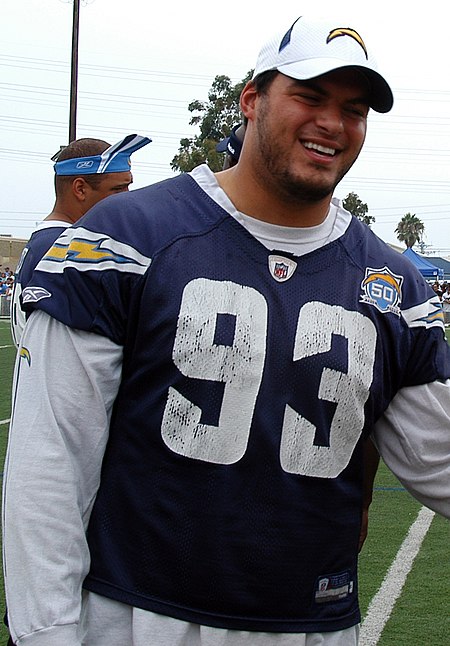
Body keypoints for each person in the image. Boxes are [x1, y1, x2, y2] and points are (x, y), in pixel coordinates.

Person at [3, 14, 450, 646]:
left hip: (314, 625)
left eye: (354, 109)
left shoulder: (392, 282)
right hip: (140, 619)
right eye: (310, 95)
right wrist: (47, 631)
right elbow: (51, 465)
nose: (332, 123)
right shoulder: (125, 238)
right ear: (251, 100)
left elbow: (440, 456)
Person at [10, 133, 151, 347]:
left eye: (128, 186)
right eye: (118, 189)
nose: (127, 197)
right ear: (80, 189)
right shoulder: (65, 246)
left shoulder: (47, 240)